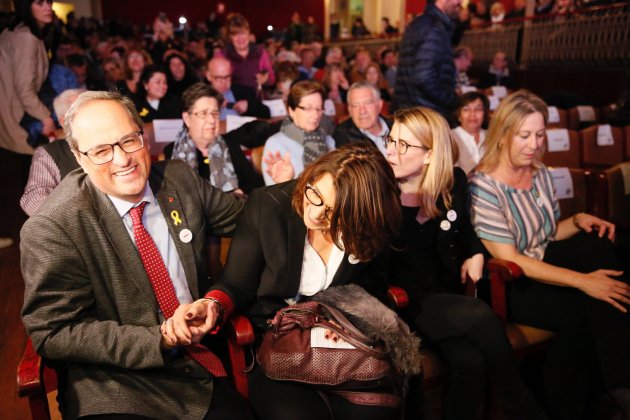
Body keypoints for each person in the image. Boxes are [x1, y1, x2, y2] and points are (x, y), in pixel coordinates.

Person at [20, 90, 251, 419]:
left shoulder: (178, 179)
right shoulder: (53, 226)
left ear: (143, 135)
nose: (122, 159)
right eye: (101, 150)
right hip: (114, 386)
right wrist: (159, 338)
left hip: (197, 366)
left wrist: (219, 296)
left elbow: (250, 221)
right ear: (79, 156)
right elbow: (54, 332)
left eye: (129, 140)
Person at [167, 142, 404, 420]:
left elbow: (373, 286)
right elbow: (237, 284)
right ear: (311, 177)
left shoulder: (369, 225)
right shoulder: (269, 206)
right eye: (314, 193)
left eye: (332, 212)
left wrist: (344, 322)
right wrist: (212, 304)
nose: (314, 214)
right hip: (277, 345)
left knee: (375, 413)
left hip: (342, 345)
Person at [469, 90, 630, 420]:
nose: (534, 144)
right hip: (512, 282)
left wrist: (577, 220)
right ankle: (604, 392)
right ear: (502, 135)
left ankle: (603, 390)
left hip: (544, 261)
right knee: (590, 303)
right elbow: (512, 258)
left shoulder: (539, 171)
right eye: (524, 135)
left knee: (597, 243)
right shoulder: (482, 185)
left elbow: (547, 233)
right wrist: (585, 282)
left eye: (539, 135)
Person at [383, 106, 547, 420]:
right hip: (403, 302)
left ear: (430, 155)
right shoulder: (380, 189)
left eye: (403, 145)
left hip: (445, 295)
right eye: (391, 140)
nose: (391, 151)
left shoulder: (452, 180)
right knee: (480, 313)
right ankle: (523, 406)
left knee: (470, 362)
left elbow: (468, 228)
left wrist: (475, 252)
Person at [164, 82, 263, 194]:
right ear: (187, 118)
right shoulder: (172, 152)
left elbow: (255, 183)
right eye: (204, 113)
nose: (212, 120)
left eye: (215, 113)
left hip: (233, 209)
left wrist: (240, 192)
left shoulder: (229, 144)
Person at [392, 0, 462, 125]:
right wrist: (453, 100)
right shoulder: (433, 28)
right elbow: (423, 78)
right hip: (425, 117)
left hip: (416, 113)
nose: (460, 2)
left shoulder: (423, 23)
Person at [0, 0, 55, 156]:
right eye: (39, 3)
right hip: (18, 116)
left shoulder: (18, 30)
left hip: (14, 111)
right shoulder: (26, 37)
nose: (48, 7)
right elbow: (24, 88)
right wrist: (46, 117)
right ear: (26, 6)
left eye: (49, 2)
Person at [21, 87, 85, 216]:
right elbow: (34, 198)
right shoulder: (51, 152)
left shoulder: (114, 138)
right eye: (82, 113)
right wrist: (76, 218)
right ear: (63, 122)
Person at [262, 81, 335, 185]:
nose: (315, 115)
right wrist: (285, 182)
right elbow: (274, 194)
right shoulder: (275, 144)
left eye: (319, 108)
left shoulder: (328, 140)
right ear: (291, 110)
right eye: (308, 108)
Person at [219, 13, 275, 93]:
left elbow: (272, 78)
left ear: (249, 33)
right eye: (235, 34)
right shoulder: (222, 56)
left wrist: (266, 79)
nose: (240, 38)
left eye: (243, 33)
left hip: (256, 101)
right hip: (233, 101)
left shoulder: (260, 52)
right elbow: (217, 84)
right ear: (230, 37)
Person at [333, 81, 392, 156]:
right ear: (349, 110)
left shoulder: (396, 127)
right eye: (355, 105)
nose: (362, 111)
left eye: (368, 103)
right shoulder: (343, 135)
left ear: (379, 105)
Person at [205, 56, 270, 120]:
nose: (224, 82)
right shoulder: (200, 96)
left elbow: (266, 113)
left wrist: (249, 107)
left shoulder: (244, 91)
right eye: (219, 78)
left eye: (228, 77)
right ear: (209, 76)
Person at [452, 91, 490, 173]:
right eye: (466, 109)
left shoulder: (493, 136)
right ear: (458, 115)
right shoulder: (449, 138)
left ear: (485, 114)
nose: (472, 114)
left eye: (478, 109)